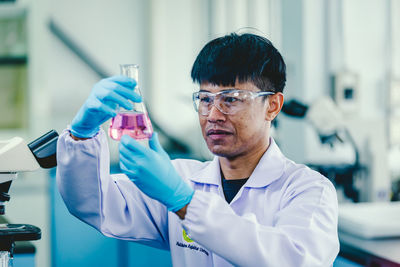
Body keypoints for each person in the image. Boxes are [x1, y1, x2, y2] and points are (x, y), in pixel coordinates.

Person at [57, 32, 339, 266]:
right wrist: (82, 135)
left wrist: (185, 204)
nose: (213, 114)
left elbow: (294, 260)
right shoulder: (180, 177)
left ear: (273, 106)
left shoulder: (308, 190)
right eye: (205, 99)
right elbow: (92, 203)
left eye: (230, 99)